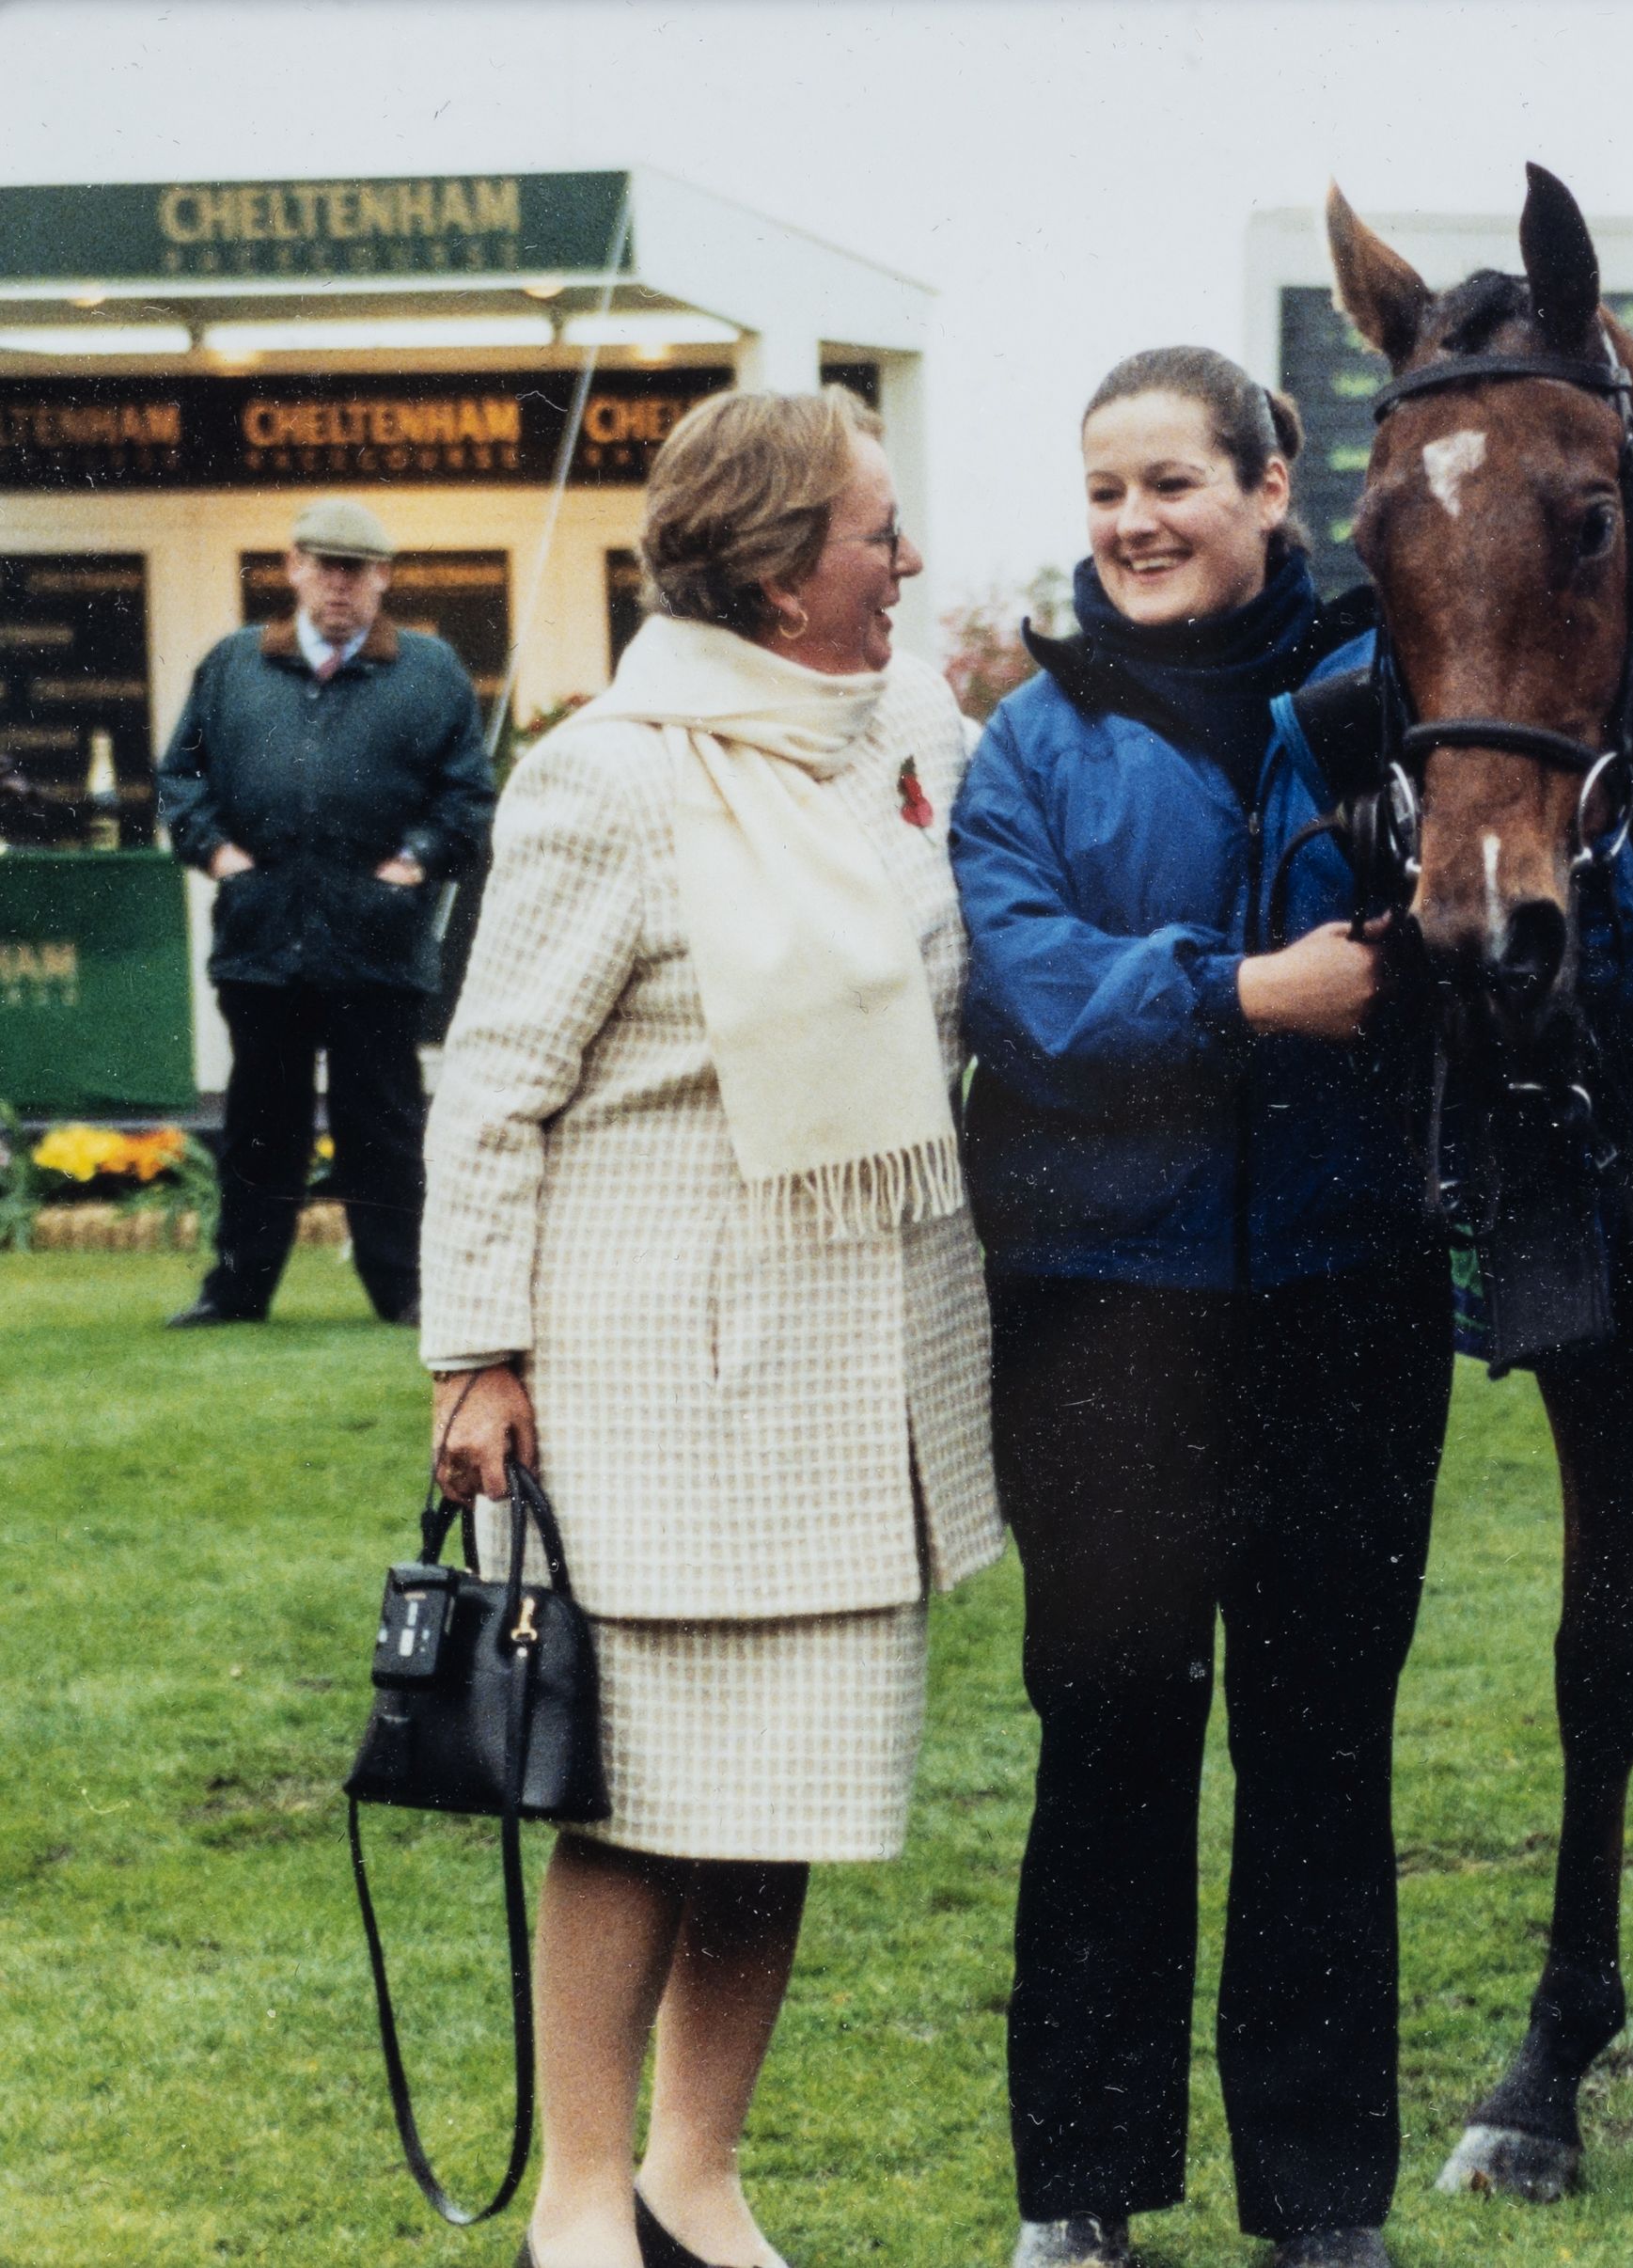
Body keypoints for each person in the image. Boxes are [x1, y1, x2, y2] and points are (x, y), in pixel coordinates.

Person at [421, 387, 1000, 2268]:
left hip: (868, 1374)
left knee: (786, 1795)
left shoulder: (904, 732)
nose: (905, 561)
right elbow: (495, 1084)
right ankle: (581, 2200)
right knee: (646, 1801)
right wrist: (476, 1356)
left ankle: (695, 2169)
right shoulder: (608, 773)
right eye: (876, 531)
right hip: (661, 1372)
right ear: (771, 569)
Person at [949, 347, 1444, 2268]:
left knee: (1324, 1751)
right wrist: (1251, 993)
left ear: (1268, 486)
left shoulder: (1396, 695)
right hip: (1102, 1322)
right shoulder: (1032, 743)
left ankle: (1322, 2206)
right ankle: (1081, 2186)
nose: (1135, 526)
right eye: (1104, 495)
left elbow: (1531, 893)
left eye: (1171, 484)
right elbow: (1028, 991)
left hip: (1346, 1300)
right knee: (1109, 1743)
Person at [155, 496, 489, 1329]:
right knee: (260, 1123)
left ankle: (407, 1291)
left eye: (358, 570)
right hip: (262, 938)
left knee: (382, 1120)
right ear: (295, 568)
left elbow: (468, 797)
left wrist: (411, 864)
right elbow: (180, 781)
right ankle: (237, 1291)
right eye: (325, 566)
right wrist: (223, 859)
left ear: (383, 579)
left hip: (377, 943)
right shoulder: (232, 665)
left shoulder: (431, 671)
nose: (339, 586)